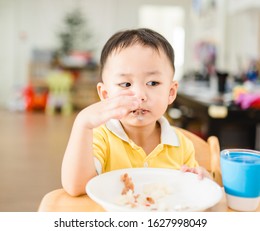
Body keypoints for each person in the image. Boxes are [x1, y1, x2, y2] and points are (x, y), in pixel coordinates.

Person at [61, 28, 210, 196]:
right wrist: (83, 124)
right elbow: (75, 187)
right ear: (105, 94)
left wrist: (200, 180)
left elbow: (189, 192)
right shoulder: (100, 138)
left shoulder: (182, 145)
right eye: (125, 84)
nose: (140, 96)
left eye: (153, 83)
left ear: (171, 92)